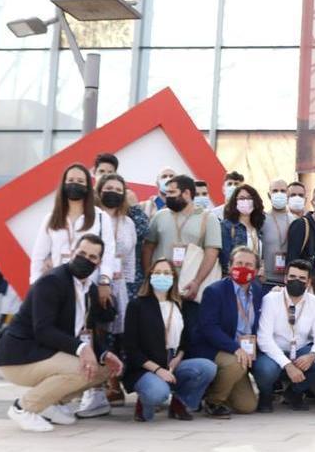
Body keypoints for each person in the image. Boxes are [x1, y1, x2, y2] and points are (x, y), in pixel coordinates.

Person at [0, 234, 123, 432]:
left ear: (99, 263)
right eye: (82, 253)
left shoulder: (90, 289)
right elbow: (43, 330)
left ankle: (50, 405)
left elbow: (88, 330)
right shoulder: (52, 281)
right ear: (72, 252)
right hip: (20, 356)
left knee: (104, 369)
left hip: (47, 354)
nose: (86, 259)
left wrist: (104, 354)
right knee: (82, 369)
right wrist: (82, 348)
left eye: (93, 257)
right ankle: (24, 408)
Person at [122, 259, 217, 422]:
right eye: (157, 272)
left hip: (172, 362)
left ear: (173, 277)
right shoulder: (137, 305)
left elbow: (185, 341)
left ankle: (179, 403)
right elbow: (130, 348)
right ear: (150, 276)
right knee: (158, 393)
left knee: (207, 368)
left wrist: (178, 358)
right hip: (146, 367)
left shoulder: (179, 304)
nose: (162, 276)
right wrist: (158, 370)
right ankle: (145, 404)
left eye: (166, 273)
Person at [80, 173, 137, 416]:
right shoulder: (90, 219)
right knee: (95, 332)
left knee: (117, 334)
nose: (113, 191)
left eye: (118, 188)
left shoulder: (128, 223)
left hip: (119, 285)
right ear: (99, 190)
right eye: (109, 187)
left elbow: (130, 258)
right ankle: (92, 387)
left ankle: (114, 385)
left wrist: (127, 285)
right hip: (92, 283)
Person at [190, 246, 266, 418]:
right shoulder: (214, 291)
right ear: (230, 266)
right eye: (239, 263)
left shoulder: (258, 291)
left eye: (249, 264)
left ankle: (219, 385)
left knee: (247, 406)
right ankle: (214, 400)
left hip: (243, 353)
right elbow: (209, 328)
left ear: (256, 269)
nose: (243, 267)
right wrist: (234, 348)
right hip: (216, 349)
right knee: (235, 363)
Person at [252, 260, 315, 412]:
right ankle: (266, 395)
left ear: (308, 282)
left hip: (300, 352)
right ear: (285, 279)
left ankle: (294, 392)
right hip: (274, 354)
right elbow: (264, 338)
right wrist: (287, 365)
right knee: (265, 369)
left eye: (302, 278)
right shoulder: (270, 299)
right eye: (292, 276)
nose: (296, 281)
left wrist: (313, 355)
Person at [30, 164, 118, 289]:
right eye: (70, 180)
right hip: (56, 285)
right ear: (63, 185)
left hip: (88, 284)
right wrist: (35, 284)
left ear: (87, 186)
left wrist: (104, 281)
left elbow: (108, 253)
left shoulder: (101, 218)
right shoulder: (51, 219)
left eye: (80, 181)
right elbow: (39, 255)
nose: (75, 184)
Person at [141, 175, 222, 310]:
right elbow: (148, 248)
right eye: (167, 193)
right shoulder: (160, 216)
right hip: (162, 287)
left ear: (187, 193)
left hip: (190, 289)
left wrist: (197, 281)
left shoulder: (209, 218)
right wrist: (148, 276)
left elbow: (211, 253)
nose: (168, 197)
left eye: (172, 192)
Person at [218, 184, 265, 274]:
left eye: (249, 198)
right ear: (235, 202)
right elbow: (225, 260)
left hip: (254, 279)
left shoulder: (258, 227)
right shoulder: (227, 226)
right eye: (241, 198)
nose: (246, 201)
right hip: (235, 278)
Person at [260, 179, 293, 289]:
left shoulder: (296, 221)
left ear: (288, 194)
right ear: (269, 195)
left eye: (283, 191)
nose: (279, 194)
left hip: (288, 282)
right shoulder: (261, 220)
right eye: (275, 191)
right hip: (265, 281)